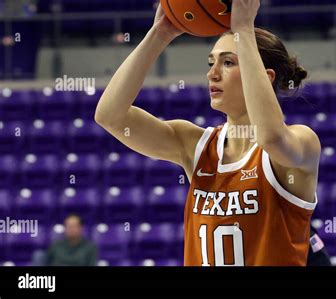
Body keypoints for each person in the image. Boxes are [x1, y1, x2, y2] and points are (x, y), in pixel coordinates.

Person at [95, 0, 321, 266]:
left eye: (227, 63)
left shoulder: (303, 141)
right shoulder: (195, 145)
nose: (212, 74)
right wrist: (159, 34)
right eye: (211, 62)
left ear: (265, 75)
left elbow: (270, 137)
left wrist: (244, 30)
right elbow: (110, 116)